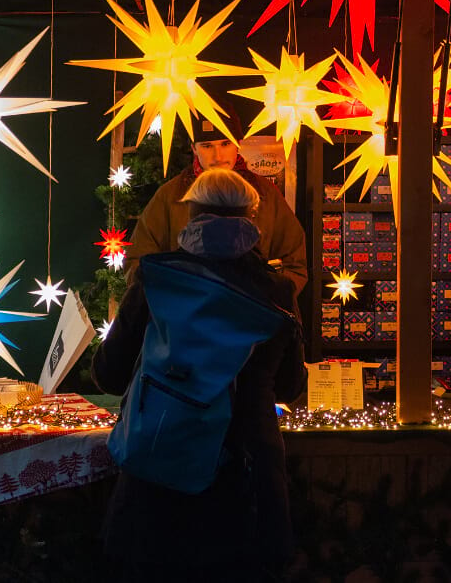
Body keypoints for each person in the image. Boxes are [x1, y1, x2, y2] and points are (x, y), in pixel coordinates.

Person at [92, 168, 307, 582]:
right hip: (247, 480)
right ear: (252, 218)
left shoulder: (155, 279)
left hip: (159, 475)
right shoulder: (276, 291)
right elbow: (290, 387)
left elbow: (109, 374)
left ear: (190, 213)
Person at [124, 103, 308, 299]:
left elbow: (295, 266)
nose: (218, 156)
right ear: (194, 148)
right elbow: (138, 264)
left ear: (238, 143)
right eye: (207, 146)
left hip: (249, 322)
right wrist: (175, 305)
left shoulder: (267, 195)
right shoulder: (169, 197)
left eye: (225, 144)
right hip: (187, 323)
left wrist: (264, 302)